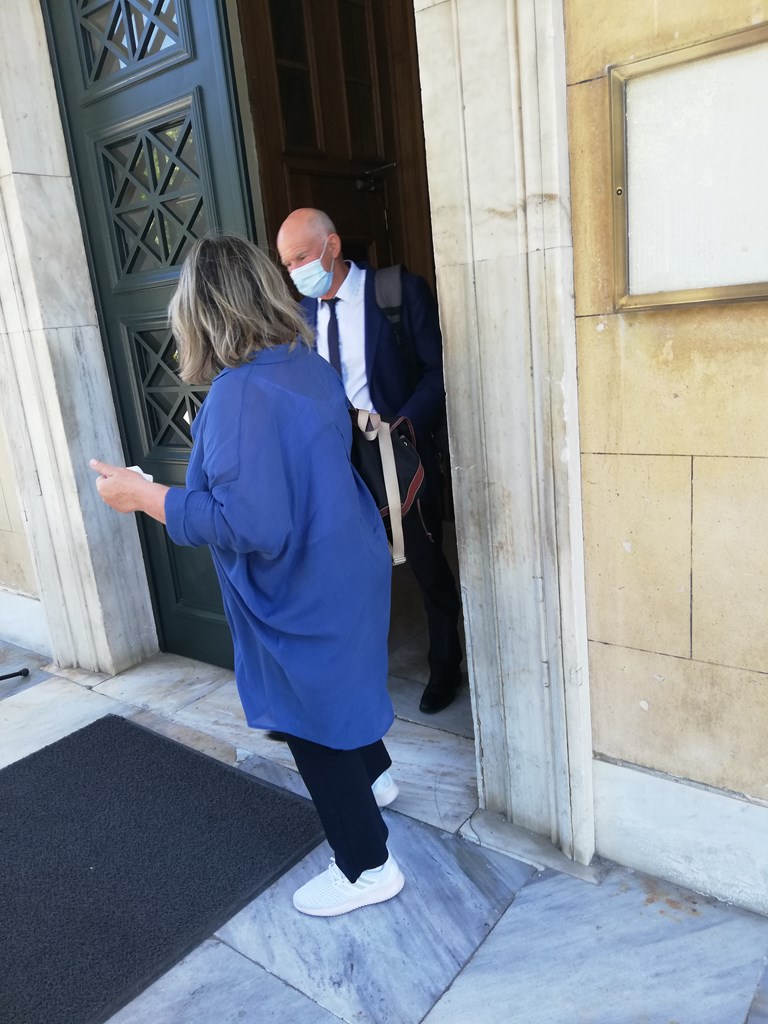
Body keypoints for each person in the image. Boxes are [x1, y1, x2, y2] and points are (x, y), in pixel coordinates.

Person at [89, 234, 404, 918]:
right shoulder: (305, 363)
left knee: (309, 717)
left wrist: (144, 496)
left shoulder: (239, 393)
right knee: (338, 685)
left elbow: (251, 524)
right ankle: (376, 778)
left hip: (301, 582)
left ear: (201, 313)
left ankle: (367, 867)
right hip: (347, 558)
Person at [276, 208, 463, 714]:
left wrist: (402, 427)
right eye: (287, 264)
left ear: (332, 246)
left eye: (301, 258)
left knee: (426, 565)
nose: (295, 272)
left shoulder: (396, 293)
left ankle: (446, 666)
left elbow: (438, 372)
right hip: (336, 464)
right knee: (338, 573)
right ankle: (343, 674)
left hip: (396, 454)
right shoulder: (298, 318)